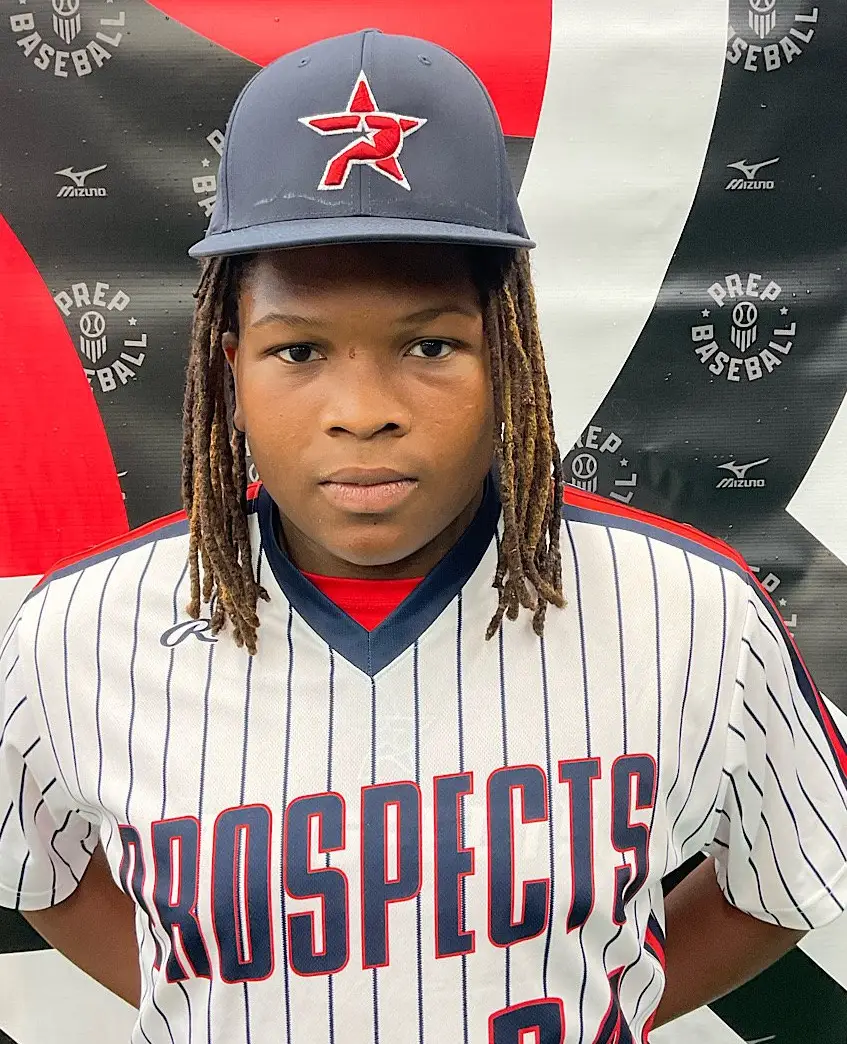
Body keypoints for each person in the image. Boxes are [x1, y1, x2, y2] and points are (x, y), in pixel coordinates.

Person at [1, 28, 845, 1044]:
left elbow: (783, 879)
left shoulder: (695, 613)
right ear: (229, 371)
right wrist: (202, 1000)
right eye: (298, 350)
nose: (364, 411)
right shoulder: (76, 631)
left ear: (508, 357)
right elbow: (41, 875)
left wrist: (609, 1001)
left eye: (431, 344)